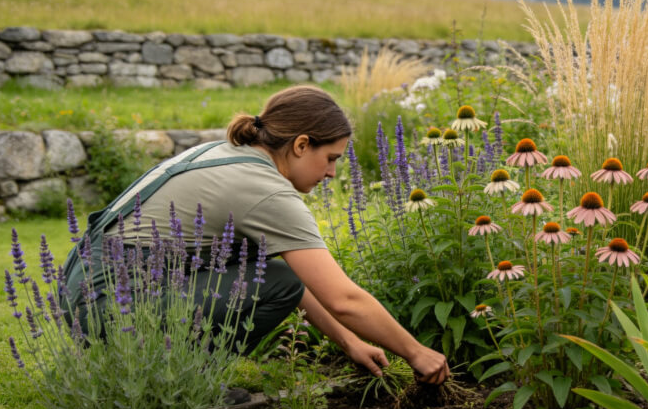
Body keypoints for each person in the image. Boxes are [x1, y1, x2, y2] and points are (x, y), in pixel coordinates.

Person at [62, 85, 449, 386]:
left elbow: (277, 273)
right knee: (277, 282)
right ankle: (176, 382)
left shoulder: (226, 151)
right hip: (109, 308)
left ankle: (165, 373)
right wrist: (415, 353)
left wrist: (348, 341)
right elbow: (343, 299)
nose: (332, 173)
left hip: (88, 291)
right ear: (300, 145)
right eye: (330, 158)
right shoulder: (264, 189)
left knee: (272, 274)